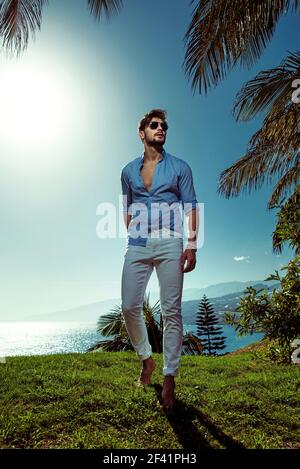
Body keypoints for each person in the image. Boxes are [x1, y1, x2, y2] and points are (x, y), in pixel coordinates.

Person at [120, 109, 199, 410]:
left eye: (164, 125)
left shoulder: (180, 167)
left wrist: (191, 245)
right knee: (129, 305)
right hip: (138, 243)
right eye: (154, 125)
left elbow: (191, 206)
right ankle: (146, 360)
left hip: (170, 241)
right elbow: (127, 206)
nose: (161, 128)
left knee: (171, 311)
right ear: (142, 133)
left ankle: (169, 377)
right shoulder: (128, 171)